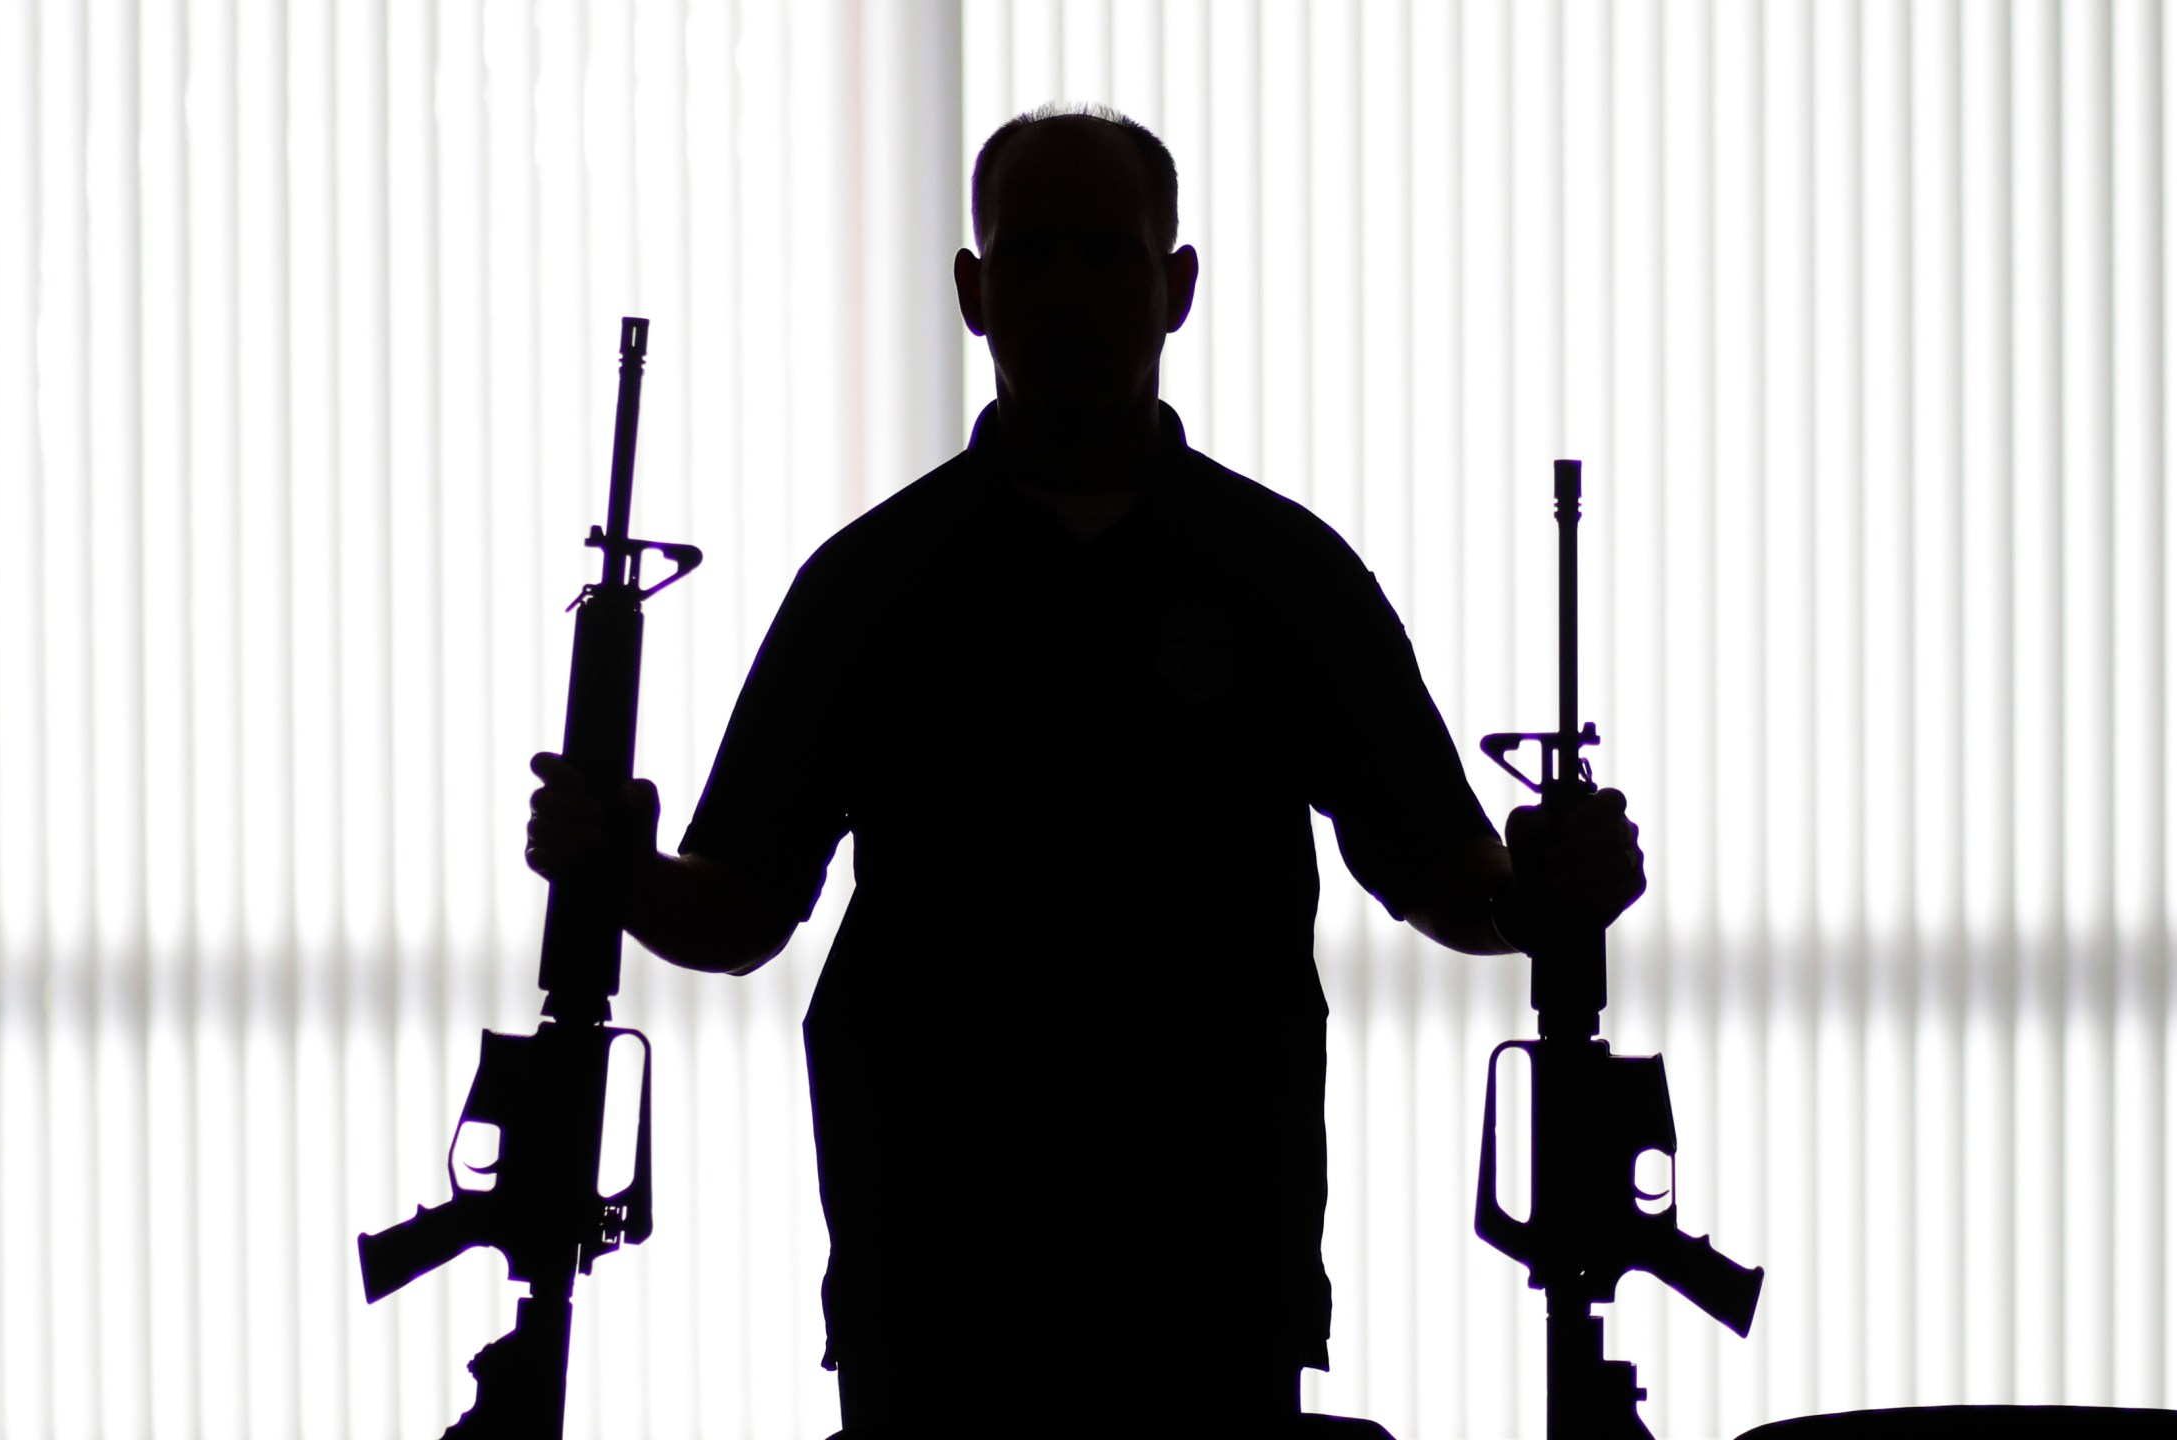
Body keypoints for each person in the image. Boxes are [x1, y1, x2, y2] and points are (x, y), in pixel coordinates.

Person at [525, 103, 1646, 1440]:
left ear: (1175, 288)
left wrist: (1548, 892)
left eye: (1107, 255)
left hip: (1212, 1272)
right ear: (972, 290)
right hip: (934, 1276)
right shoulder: (877, 584)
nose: (1066, 291)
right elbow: (741, 906)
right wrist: (622, 876)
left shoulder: (1283, 577)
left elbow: (1445, 876)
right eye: (1033, 254)